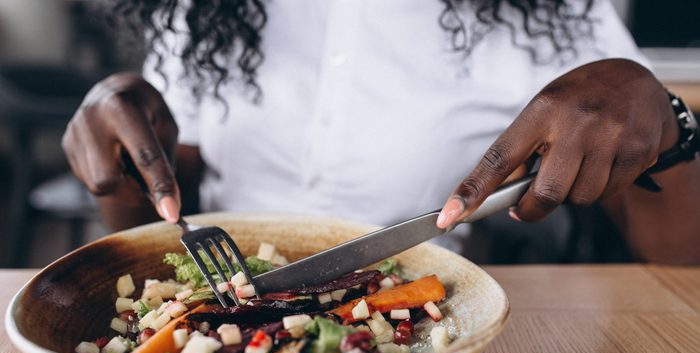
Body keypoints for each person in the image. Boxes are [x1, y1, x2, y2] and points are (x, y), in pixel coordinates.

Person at [62, 0, 700, 264]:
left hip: (419, 332)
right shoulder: (207, 10)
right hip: (225, 311)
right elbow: (151, 215)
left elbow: (680, 258)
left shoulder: (553, 14)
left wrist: (669, 124)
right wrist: (117, 145)